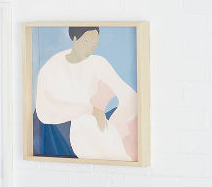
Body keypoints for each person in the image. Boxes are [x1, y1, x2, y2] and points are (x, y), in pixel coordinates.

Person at [34, 26, 138, 161]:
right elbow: (47, 109)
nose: (90, 48)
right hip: (68, 124)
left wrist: (122, 124)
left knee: (108, 135)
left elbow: (126, 93)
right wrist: (89, 110)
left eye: (94, 44)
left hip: (96, 120)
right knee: (92, 128)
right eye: (86, 42)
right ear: (75, 38)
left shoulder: (97, 63)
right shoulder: (53, 67)